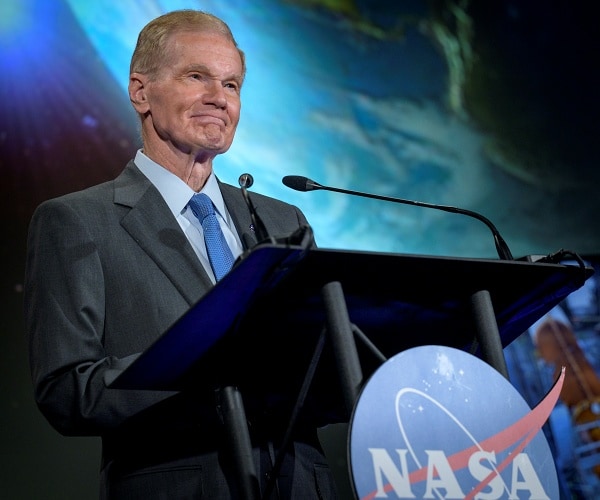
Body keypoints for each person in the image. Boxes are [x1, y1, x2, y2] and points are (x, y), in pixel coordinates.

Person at [24, 9, 338, 499]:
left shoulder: (284, 223)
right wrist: (206, 372)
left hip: (300, 485)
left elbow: (323, 361)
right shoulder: (77, 221)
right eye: (198, 77)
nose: (219, 98)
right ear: (141, 92)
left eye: (232, 85)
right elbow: (67, 390)